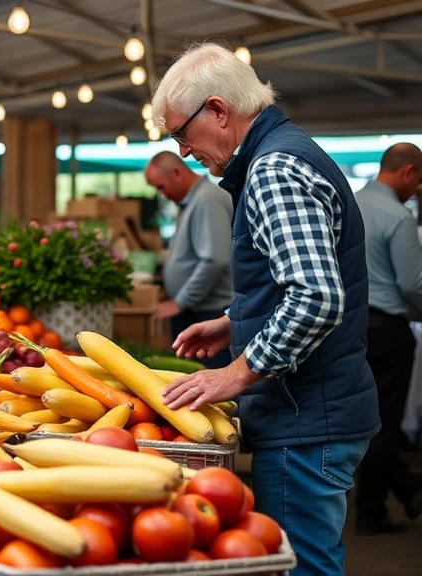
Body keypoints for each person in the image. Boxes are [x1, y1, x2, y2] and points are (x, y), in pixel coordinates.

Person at [152, 43, 380, 576]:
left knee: (303, 565)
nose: (183, 152)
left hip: (307, 416)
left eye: (181, 133)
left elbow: (316, 298)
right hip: (317, 408)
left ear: (217, 110)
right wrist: (234, 322)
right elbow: (308, 278)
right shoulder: (283, 153)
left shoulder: (274, 168)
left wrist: (238, 371)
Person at [353, 142, 422, 535]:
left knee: (362, 415)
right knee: (383, 422)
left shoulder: (349, 202)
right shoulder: (398, 216)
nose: (417, 191)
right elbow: (413, 283)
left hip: (348, 327)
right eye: (419, 182)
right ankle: (372, 511)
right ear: (409, 172)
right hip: (388, 330)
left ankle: (403, 486)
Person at [144, 152, 233, 368]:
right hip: (198, 311)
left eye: (161, 187)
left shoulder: (206, 200)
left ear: (177, 173)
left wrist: (181, 301)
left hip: (209, 313)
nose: (162, 195)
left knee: (212, 389)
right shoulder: (193, 200)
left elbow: (214, 259)